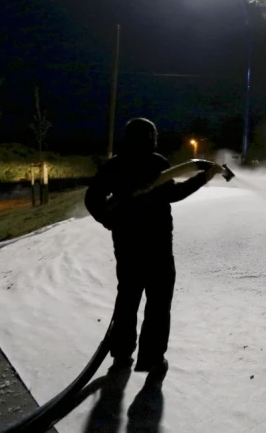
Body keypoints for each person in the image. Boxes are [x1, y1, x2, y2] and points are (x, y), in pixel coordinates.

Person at [85, 117, 223, 374]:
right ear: (151, 138)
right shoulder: (156, 162)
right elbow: (174, 194)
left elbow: (92, 198)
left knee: (127, 298)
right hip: (157, 246)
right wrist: (204, 178)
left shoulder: (114, 165)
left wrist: (109, 219)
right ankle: (151, 358)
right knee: (158, 303)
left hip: (126, 245)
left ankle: (122, 353)